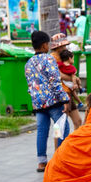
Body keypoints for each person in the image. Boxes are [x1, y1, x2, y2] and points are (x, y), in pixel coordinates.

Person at [25, 31, 71, 173]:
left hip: (38, 104)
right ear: (45, 45)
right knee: (63, 128)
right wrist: (64, 98)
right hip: (54, 102)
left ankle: (42, 162)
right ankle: (60, 159)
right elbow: (55, 81)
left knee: (42, 131)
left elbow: (30, 85)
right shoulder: (49, 59)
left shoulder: (28, 63)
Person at [57, 49, 83, 129]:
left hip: (69, 93)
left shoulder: (59, 62)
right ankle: (59, 141)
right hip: (65, 94)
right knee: (61, 124)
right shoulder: (55, 60)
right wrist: (75, 82)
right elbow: (63, 76)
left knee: (78, 121)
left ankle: (74, 140)